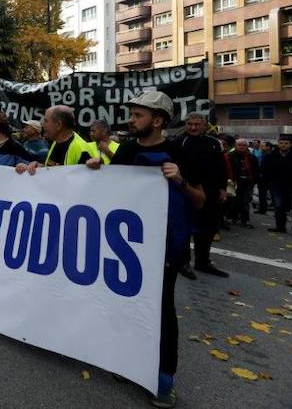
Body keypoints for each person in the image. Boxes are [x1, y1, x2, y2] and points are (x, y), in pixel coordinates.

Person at [85, 91, 204, 409]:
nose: (131, 120)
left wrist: (179, 181)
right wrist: (96, 169)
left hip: (166, 249)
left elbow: (200, 199)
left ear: (158, 120)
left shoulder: (177, 152)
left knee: (162, 312)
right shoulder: (125, 149)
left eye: (138, 115)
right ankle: (133, 364)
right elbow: (113, 187)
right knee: (127, 305)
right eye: (132, 114)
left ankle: (164, 380)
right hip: (127, 249)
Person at [175, 112, 229, 279]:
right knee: (184, 229)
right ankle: (183, 262)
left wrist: (222, 188)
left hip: (211, 192)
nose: (193, 127)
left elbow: (221, 167)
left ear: (205, 125)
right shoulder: (178, 142)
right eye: (190, 124)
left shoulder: (214, 143)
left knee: (208, 229)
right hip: (186, 191)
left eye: (197, 124)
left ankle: (203, 262)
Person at [264, 136, 292, 235]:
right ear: (278, 143)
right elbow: (266, 170)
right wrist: (269, 182)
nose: (283, 145)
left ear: (290, 144)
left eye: (286, 143)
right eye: (281, 143)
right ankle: (280, 227)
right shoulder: (272, 156)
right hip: (277, 186)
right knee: (279, 206)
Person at [224, 138, 259, 228]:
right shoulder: (230, 156)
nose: (241, 147)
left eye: (244, 145)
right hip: (234, 182)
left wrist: (254, 180)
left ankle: (245, 220)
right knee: (234, 201)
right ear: (235, 146)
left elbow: (256, 170)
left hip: (248, 182)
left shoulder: (251, 157)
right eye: (239, 145)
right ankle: (233, 217)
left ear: (247, 146)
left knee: (245, 202)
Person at [253, 141, 272, 215]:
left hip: (267, 178)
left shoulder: (270, 156)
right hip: (262, 177)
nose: (261, 147)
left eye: (263, 146)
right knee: (262, 194)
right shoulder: (262, 155)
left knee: (265, 194)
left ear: (268, 147)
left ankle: (263, 209)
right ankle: (262, 209)